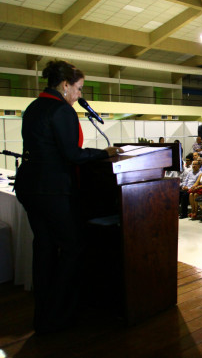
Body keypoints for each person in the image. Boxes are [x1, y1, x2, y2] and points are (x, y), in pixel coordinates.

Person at [14, 60, 122, 333]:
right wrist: (103, 153)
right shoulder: (62, 110)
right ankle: (61, 312)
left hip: (30, 187)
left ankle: (44, 315)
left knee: (45, 248)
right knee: (73, 247)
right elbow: (72, 155)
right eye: (79, 89)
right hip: (52, 190)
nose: (80, 95)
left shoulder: (34, 107)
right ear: (65, 86)